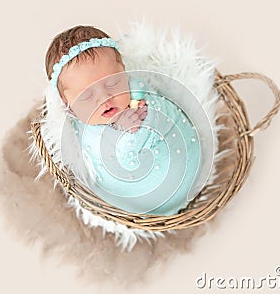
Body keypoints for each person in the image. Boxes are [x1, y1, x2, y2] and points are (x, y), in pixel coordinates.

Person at [44, 25, 202, 215]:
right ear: (66, 102)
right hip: (134, 206)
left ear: (123, 71)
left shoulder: (139, 98)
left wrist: (132, 132)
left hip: (186, 174)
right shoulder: (75, 126)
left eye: (112, 83)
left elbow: (164, 117)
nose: (104, 98)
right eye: (86, 95)